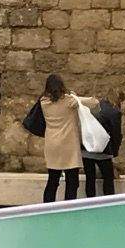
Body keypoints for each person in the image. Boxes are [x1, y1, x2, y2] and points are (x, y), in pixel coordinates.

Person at [33, 74, 98, 202]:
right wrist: (76, 97)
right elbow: (94, 102)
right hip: (69, 144)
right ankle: (68, 208)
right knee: (72, 181)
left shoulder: (43, 102)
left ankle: (48, 208)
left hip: (52, 144)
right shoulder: (69, 101)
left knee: (53, 180)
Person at [84, 96, 124, 197]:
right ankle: (108, 202)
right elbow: (116, 134)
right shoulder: (114, 112)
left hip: (87, 149)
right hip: (103, 150)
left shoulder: (92, 107)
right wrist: (114, 152)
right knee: (108, 178)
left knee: (90, 179)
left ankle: (90, 202)